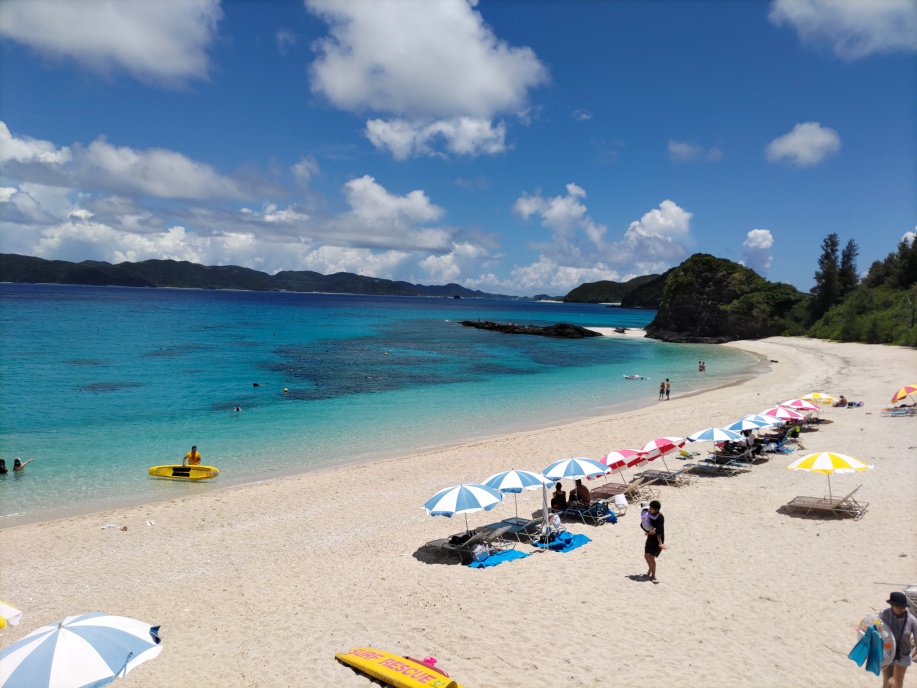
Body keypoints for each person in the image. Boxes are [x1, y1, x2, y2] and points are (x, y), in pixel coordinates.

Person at [880, 591, 917, 688]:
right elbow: (876, 631)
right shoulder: (883, 615)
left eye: (903, 607)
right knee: (888, 682)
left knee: (898, 682)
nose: (900, 608)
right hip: (887, 653)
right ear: (892, 605)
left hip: (903, 654)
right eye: (897, 606)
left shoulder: (912, 620)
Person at [643, 500, 665, 581]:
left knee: (652, 557)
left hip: (657, 539)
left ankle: (653, 575)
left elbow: (660, 530)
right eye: (650, 508)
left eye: (652, 509)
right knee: (646, 556)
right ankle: (650, 568)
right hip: (650, 537)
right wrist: (647, 530)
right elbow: (643, 523)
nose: (650, 509)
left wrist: (654, 532)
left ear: (657, 509)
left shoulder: (660, 517)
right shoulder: (649, 514)